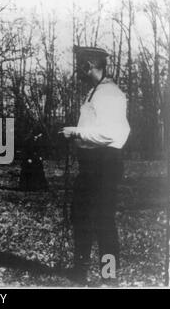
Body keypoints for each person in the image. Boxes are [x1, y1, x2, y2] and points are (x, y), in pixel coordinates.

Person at [60, 46, 130, 285]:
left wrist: (76, 132)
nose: (78, 69)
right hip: (90, 165)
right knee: (80, 217)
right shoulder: (95, 92)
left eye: (80, 64)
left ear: (89, 65)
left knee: (103, 221)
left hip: (104, 164)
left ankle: (108, 277)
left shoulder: (110, 94)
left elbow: (109, 134)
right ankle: (79, 272)